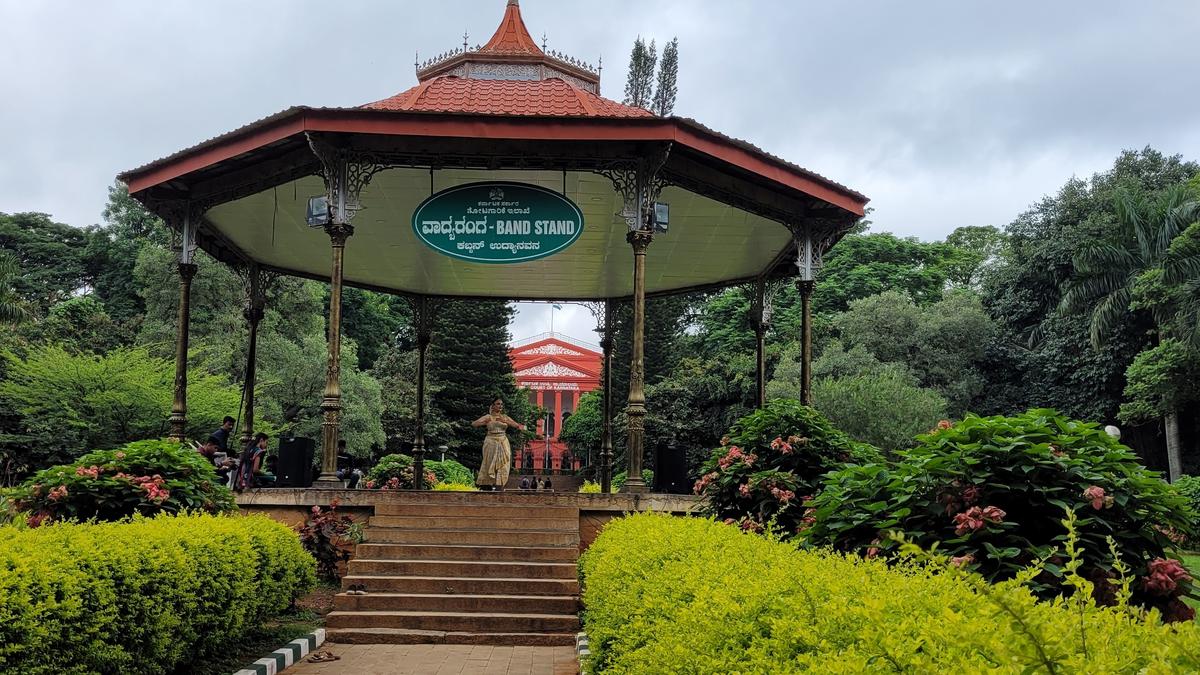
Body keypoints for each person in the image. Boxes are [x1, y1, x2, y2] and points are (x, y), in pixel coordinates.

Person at [471, 398, 525, 490]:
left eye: (501, 404)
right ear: (493, 406)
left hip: (503, 441)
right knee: (489, 462)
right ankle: (487, 484)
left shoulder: (505, 417)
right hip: (490, 441)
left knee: (504, 464)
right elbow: (474, 424)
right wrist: (484, 422)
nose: (500, 406)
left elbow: (517, 426)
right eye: (498, 404)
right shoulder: (488, 416)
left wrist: (505, 421)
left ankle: (500, 485)